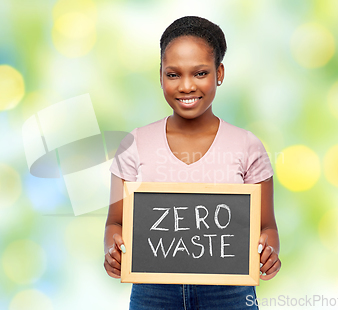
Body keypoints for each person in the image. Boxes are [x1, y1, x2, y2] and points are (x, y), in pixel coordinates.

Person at [104, 16, 281, 309]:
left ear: (219, 73)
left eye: (200, 73)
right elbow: (115, 223)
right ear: (160, 75)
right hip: (153, 292)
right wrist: (113, 249)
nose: (186, 86)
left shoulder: (247, 146)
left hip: (230, 292)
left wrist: (269, 250)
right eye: (173, 75)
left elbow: (267, 227)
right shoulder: (134, 144)